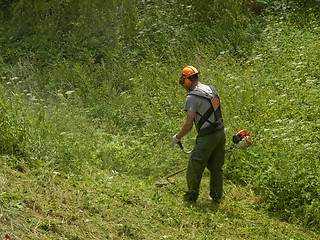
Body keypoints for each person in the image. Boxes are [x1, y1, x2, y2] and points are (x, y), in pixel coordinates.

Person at [172, 66, 226, 203]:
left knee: (194, 165)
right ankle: (217, 196)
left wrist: (178, 136)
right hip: (220, 132)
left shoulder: (192, 97)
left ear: (188, 82)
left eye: (184, 82)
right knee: (216, 167)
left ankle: (191, 196)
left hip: (207, 136)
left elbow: (189, 124)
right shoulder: (211, 89)